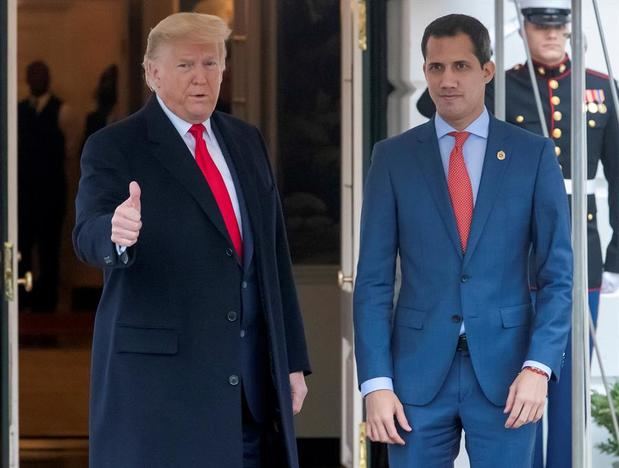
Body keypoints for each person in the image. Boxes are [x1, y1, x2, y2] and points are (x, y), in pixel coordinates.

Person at [73, 13, 310, 468]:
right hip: (161, 395)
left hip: (249, 388)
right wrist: (115, 232)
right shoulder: (116, 146)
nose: (201, 78)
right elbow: (87, 233)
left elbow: (273, 257)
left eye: (211, 63)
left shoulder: (246, 141)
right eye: (185, 66)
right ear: (152, 73)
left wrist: (291, 359)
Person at [354, 14, 572, 468]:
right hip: (414, 380)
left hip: (510, 379)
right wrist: (376, 383)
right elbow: (372, 281)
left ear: (487, 71)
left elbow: (557, 275)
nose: (447, 80)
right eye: (436, 68)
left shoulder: (531, 155)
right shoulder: (392, 158)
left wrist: (539, 367)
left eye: (461, 66)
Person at [417, 2, 619, 467]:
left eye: (558, 27)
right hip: (504, 258)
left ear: (570, 31)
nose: (550, 35)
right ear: (523, 30)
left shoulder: (598, 88)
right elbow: (434, 104)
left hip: (575, 246)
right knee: (511, 392)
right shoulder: (500, 82)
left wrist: (613, 258)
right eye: (539, 26)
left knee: (564, 388)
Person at [18, 60, 75, 311]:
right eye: (33, 75)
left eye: (41, 74)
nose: (36, 79)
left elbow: (70, 149)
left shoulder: (63, 110)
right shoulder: (18, 110)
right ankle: (22, 298)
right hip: (23, 192)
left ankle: (47, 302)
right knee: (22, 247)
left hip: (51, 191)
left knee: (49, 248)